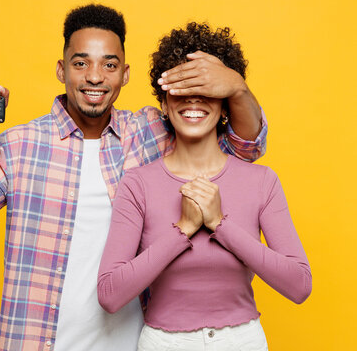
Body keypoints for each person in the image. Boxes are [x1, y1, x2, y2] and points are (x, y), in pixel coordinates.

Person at [0, 5, 267, 351]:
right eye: (81, 64)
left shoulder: (151, 132)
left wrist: (237, 89)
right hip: (36, 341)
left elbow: (244, 148)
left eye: (109, 65)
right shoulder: (21, 145)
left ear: (124, 74)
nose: (95, 77)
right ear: (62, 71)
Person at [97, 22, 311, 351]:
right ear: (165, 104)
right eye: (182, 89)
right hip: (163, 343)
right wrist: (183, 229)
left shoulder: (261, 181)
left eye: (207, 90)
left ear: (225, 106)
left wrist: (219, 224)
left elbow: (299, 285)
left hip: (242, 341)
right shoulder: (138, 184)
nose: (194, 100)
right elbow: (110, 295)